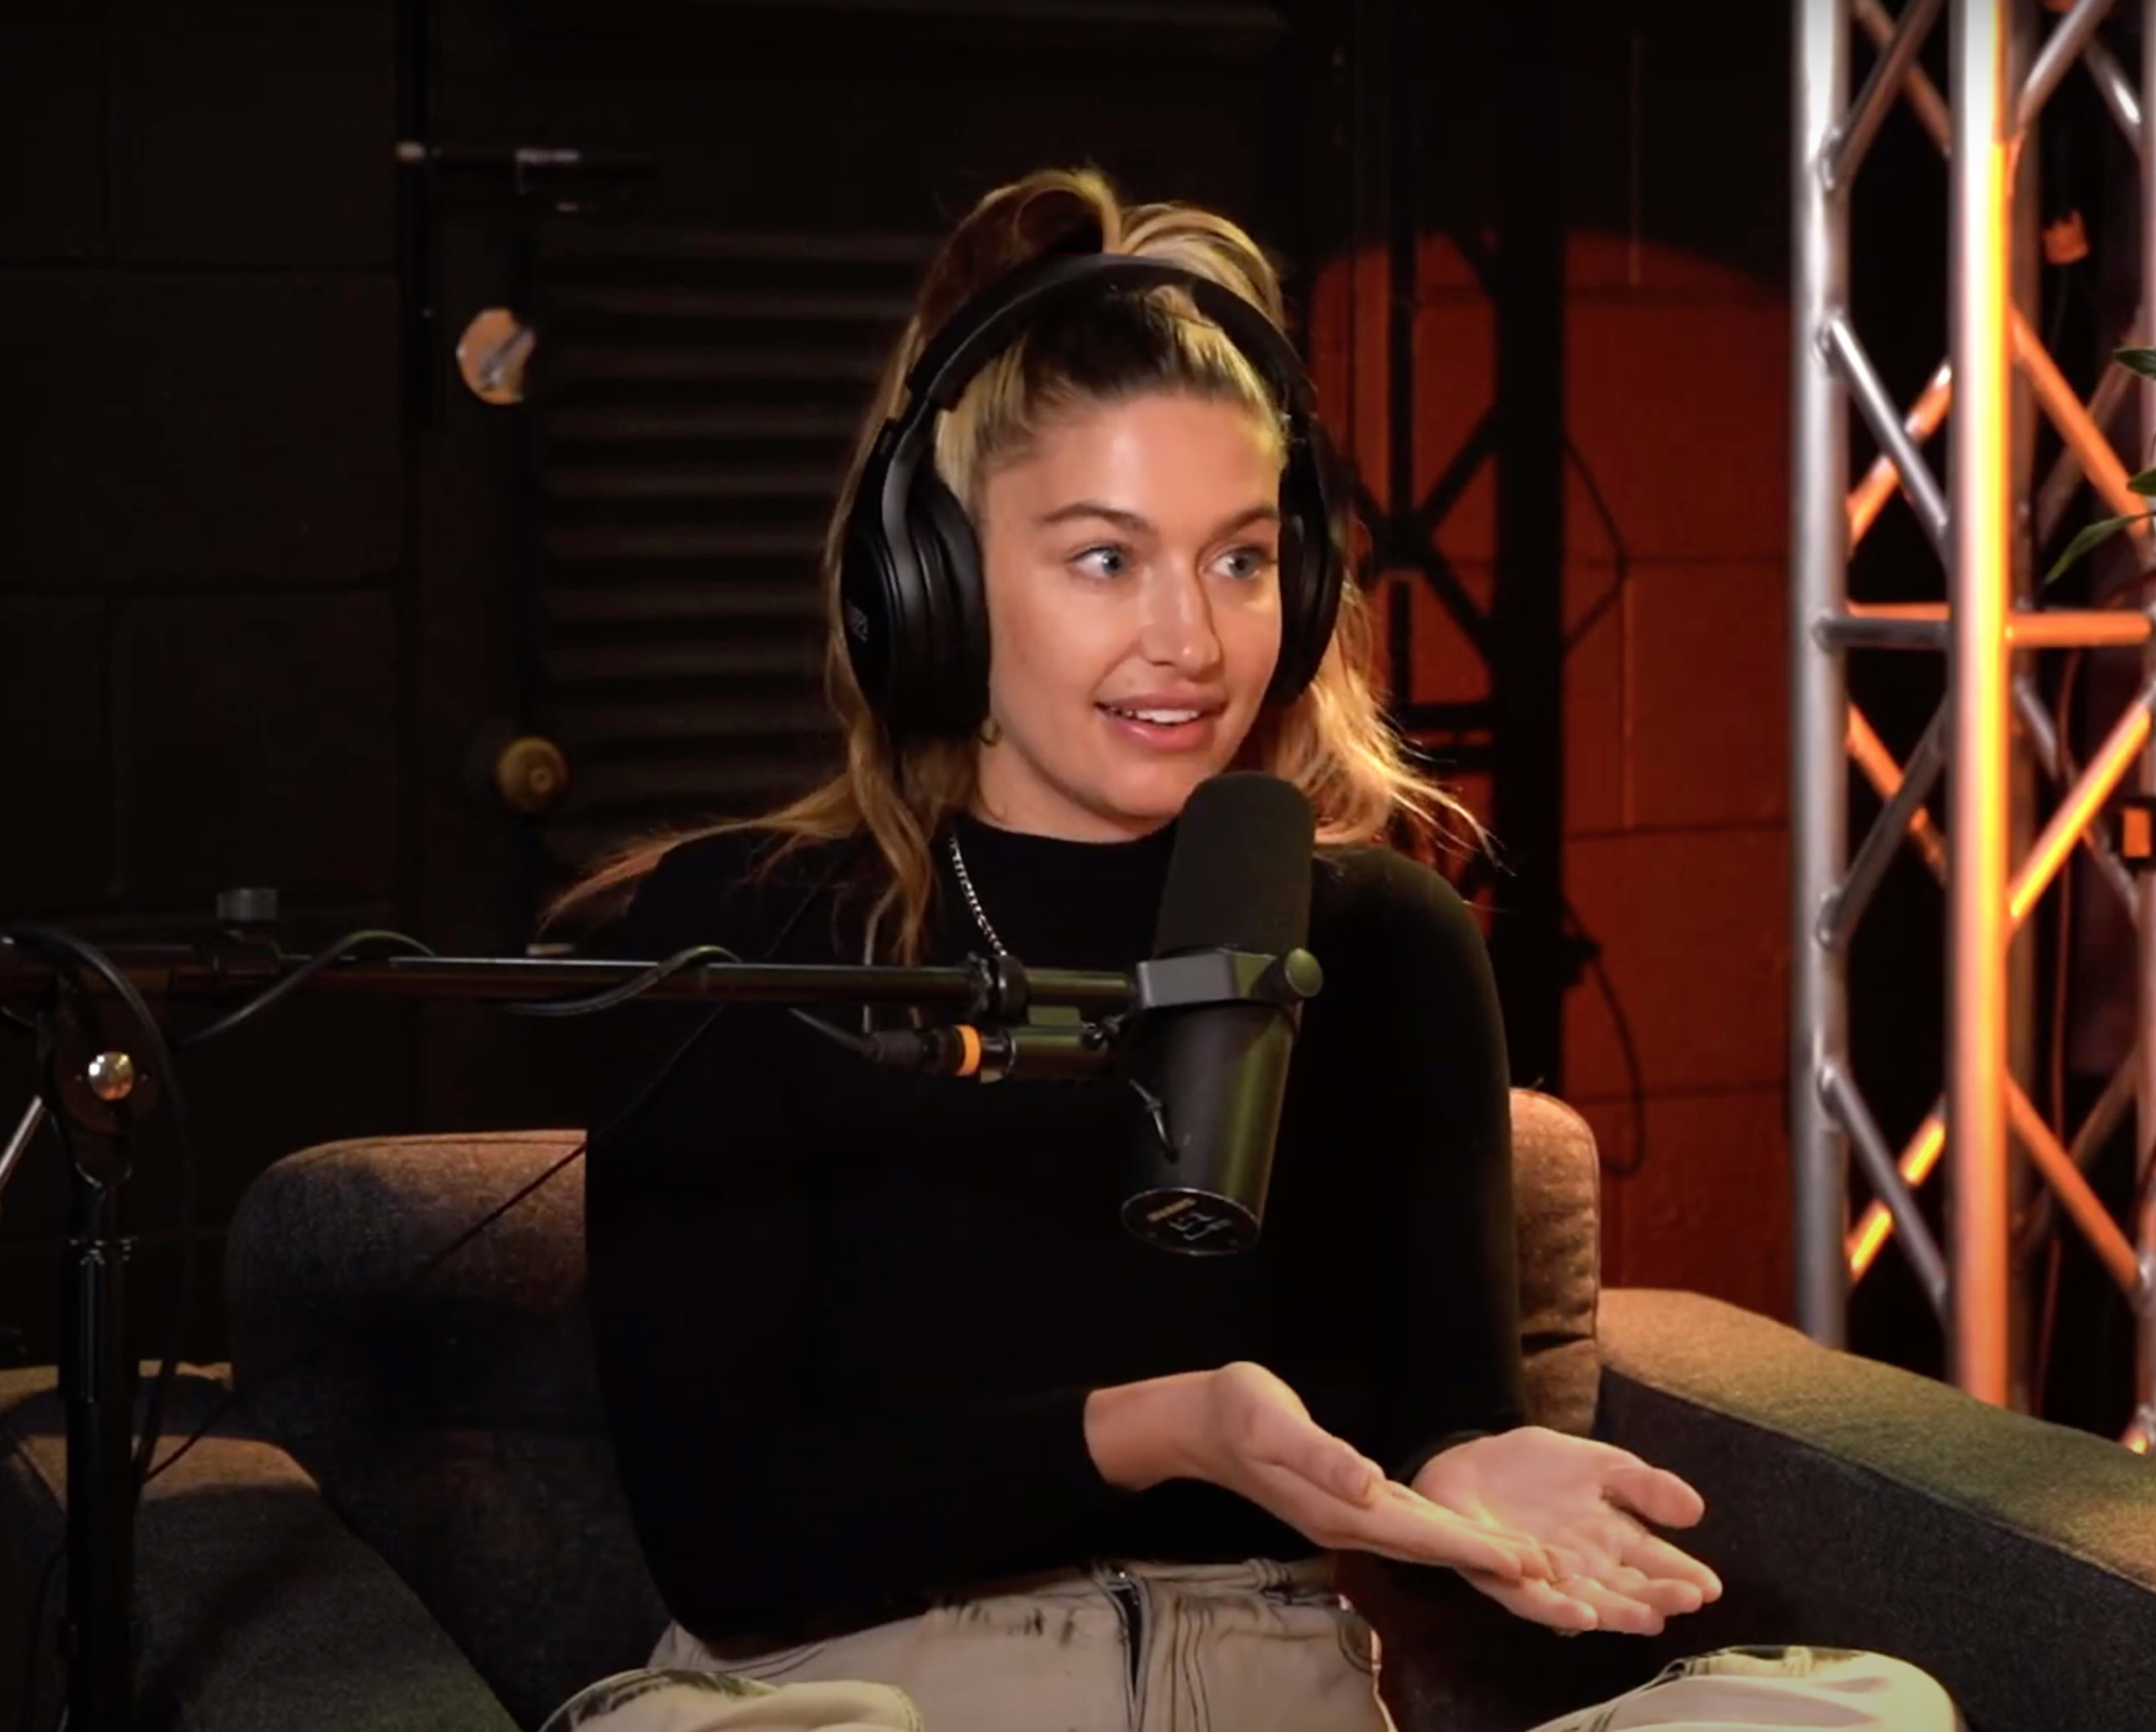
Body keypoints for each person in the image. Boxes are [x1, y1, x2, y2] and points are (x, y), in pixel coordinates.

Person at [536, 167, 1956, 1732]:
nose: (1192, 643)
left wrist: (1474, 1469)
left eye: (1239, 559)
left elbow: (1441, 1426)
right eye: (1104, 558)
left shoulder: (1384, 941)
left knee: (1853, 1714)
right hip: (859, 1693)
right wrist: (1150, 1431)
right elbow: (726, 1547)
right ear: (929, 586)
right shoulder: (747, 937)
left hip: (1269, 1693)